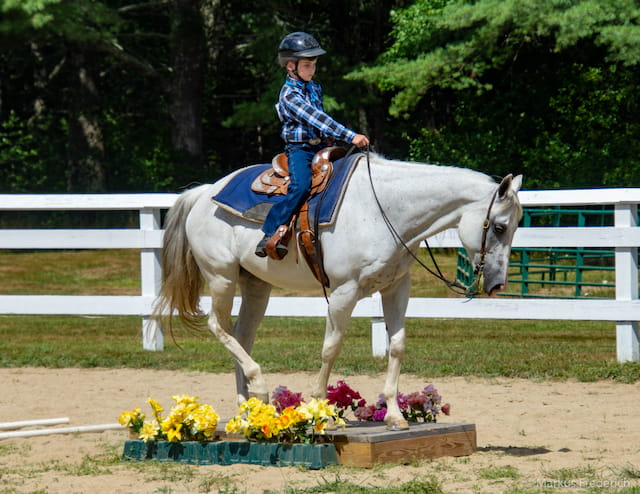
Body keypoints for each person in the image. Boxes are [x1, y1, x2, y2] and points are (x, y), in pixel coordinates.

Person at [255, 31, 370, 258]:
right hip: (300, 150)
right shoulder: (289, 94)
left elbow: (320, 118)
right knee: (301, 186)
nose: (312, 69)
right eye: (307, 65)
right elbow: (317, 118)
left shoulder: (314, 88)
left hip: (320, 146)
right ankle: (269, 232)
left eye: (314, 64)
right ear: (291, 66)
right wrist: (349, 136)